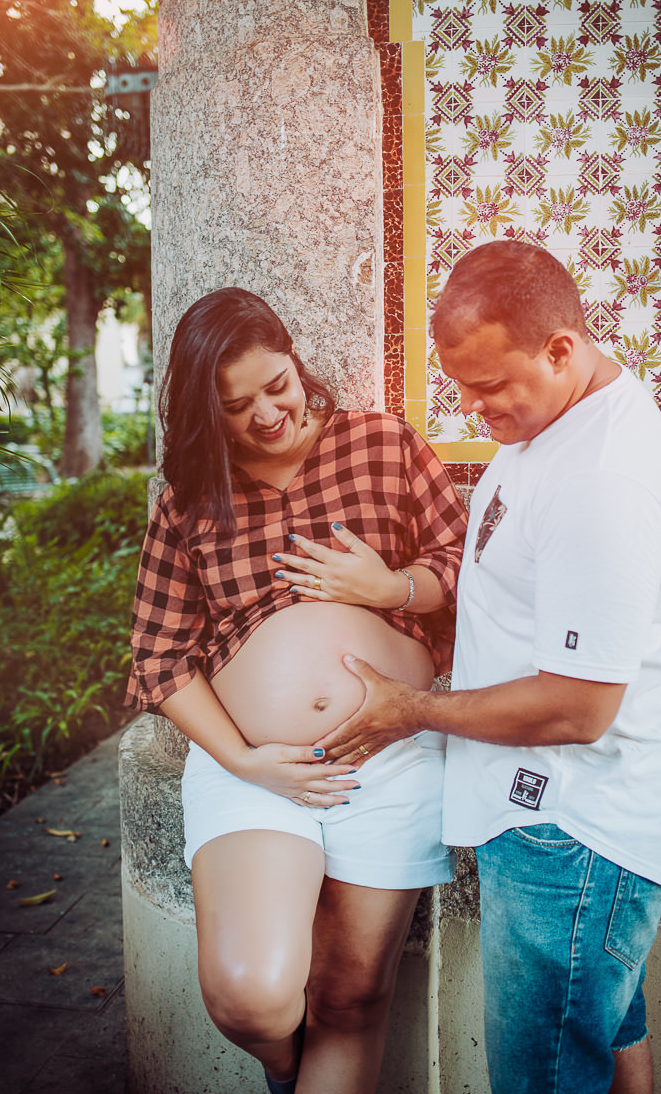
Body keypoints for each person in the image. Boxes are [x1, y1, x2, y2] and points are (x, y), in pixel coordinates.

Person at [319, 240, 661, 1094]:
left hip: (572, 833)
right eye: (460, 383)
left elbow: (577, 708)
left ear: (561, 349)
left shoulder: (601, 482)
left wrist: (411, 710)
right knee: (605, 1045)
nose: (470, 405)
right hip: (560, 824)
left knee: (543, 1078)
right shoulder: (560, 414)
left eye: (489, 386)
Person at [126, 287, 467, 1094]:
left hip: (391, 757)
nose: (267, 415)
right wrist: (246, 761)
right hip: (260, 767)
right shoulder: (189, 499)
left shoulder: (383, 446)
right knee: (251, 996)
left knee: (350, 997)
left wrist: (391, 588)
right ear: (206, 411)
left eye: (276, 384)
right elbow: (158, 658)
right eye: (237, 406)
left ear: (294, 356)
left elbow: (471, 569)